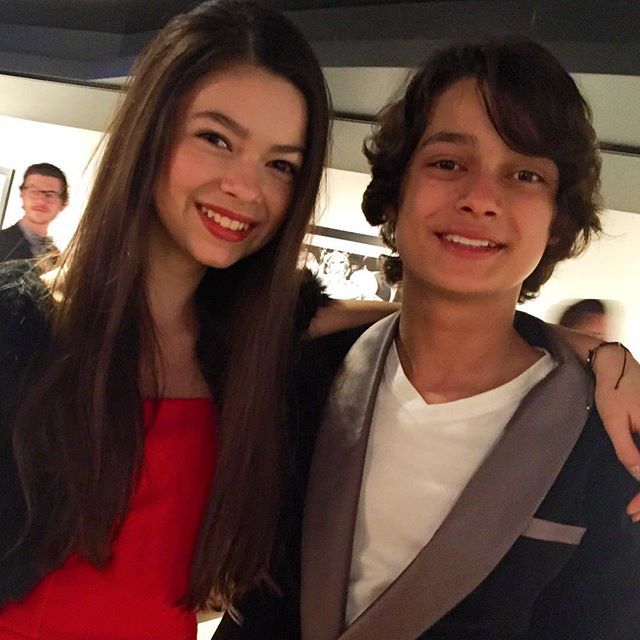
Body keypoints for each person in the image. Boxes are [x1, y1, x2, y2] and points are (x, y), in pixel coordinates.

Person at [0, 4, 638, 638]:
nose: (244, 187)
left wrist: (589, 353)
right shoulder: (289, 369)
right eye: (216, 138)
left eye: (280, 164)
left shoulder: (254, 349)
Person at [215, 38, 640, 639]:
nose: (481, 199)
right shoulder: (300, 375)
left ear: (557, 221)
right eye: (447, 163)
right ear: (395, 191)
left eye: (525, 174)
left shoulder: (610, 440)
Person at [0, 163, 67, 271]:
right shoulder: (2, 242)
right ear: (22, 194)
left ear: (63, 203)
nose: (40, 200)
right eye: (34, 191)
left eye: (50, 194)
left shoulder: (57, 258)